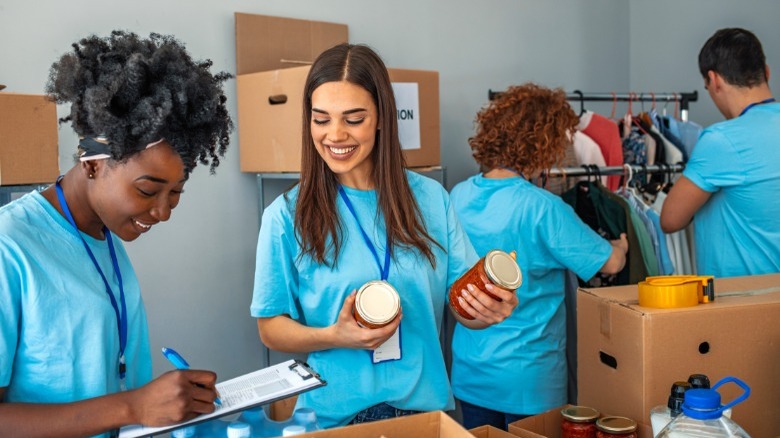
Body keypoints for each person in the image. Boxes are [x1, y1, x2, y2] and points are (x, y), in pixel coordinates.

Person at [250, 43, 518, 428]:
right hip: (333, 420)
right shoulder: (285, 217)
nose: (334, 135)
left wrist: (487, 310)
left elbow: (460, 306)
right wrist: (336, 335)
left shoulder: (431, 200)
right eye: (321, 119)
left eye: (353, 119)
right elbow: (270, 328)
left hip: (425, 415)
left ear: (381, 118)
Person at [0, 30, 233, 437]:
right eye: (147, 190)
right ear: (92, 164)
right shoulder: (10, 248)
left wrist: (166, 405)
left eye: (175, 193)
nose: (162, 212)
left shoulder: (103, 235)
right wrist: (133, 406)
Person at [449, 83, 628, 430]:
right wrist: (621, 244)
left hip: (471, 372)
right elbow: (609, 264)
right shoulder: (543, 208)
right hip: (530, 379)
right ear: (544, 145)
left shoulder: (457, 195)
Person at [661, 28, 780, 277]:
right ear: (766, 72)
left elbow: (670, 220)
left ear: (714, 80)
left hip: (743, 303)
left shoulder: (721, 140)